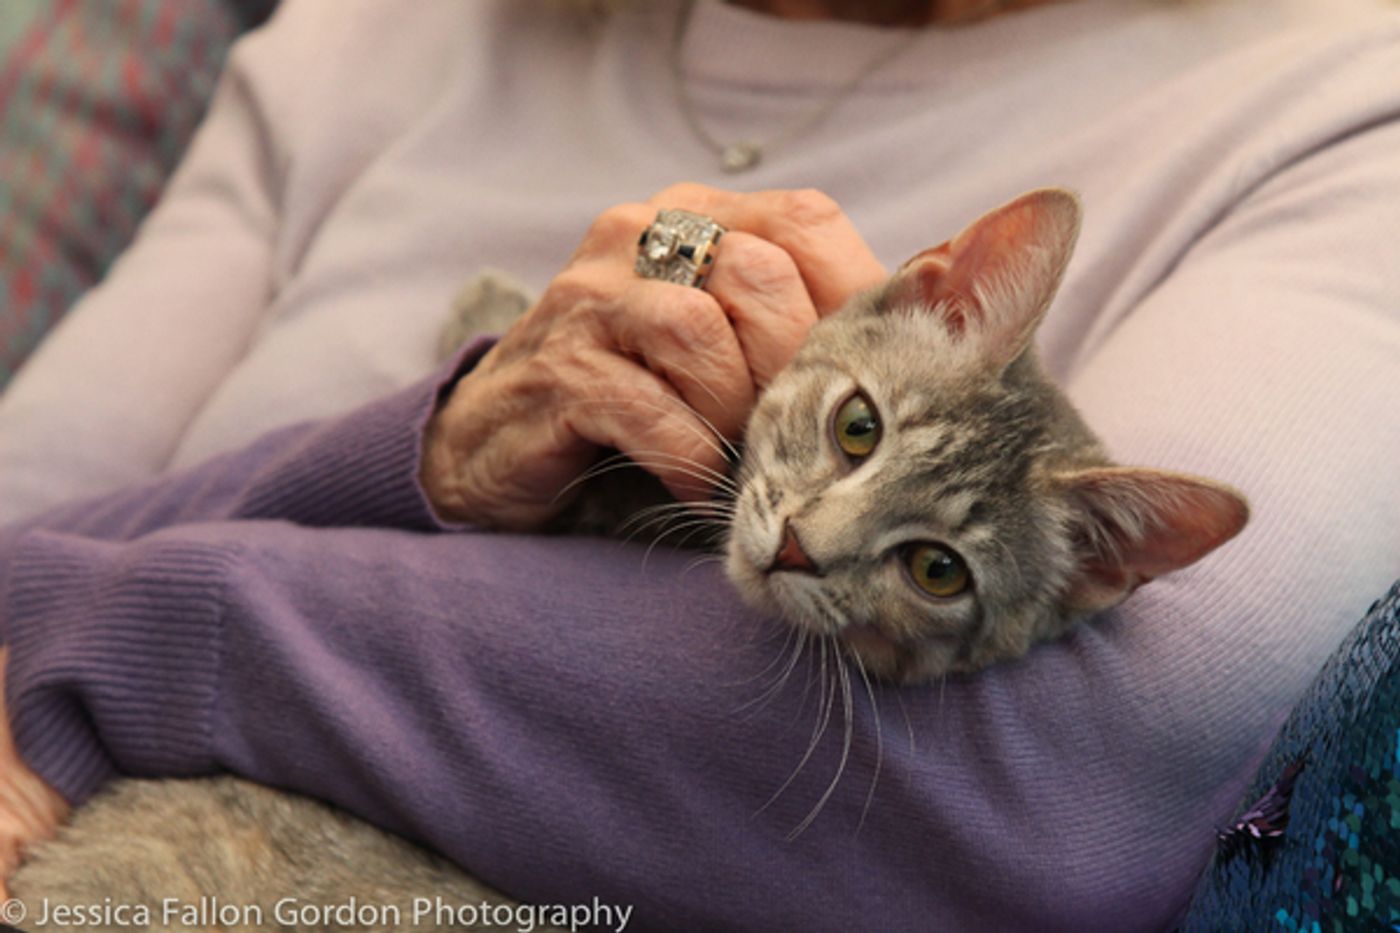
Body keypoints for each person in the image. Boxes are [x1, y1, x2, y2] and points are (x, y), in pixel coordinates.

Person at [1, 0, 1398, 928]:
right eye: (857, 435)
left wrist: (148, 632)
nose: (808, 539)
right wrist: (436, 447)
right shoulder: (373, 27)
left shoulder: (1344, 106)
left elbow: (1060, 781)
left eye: (920, 556)